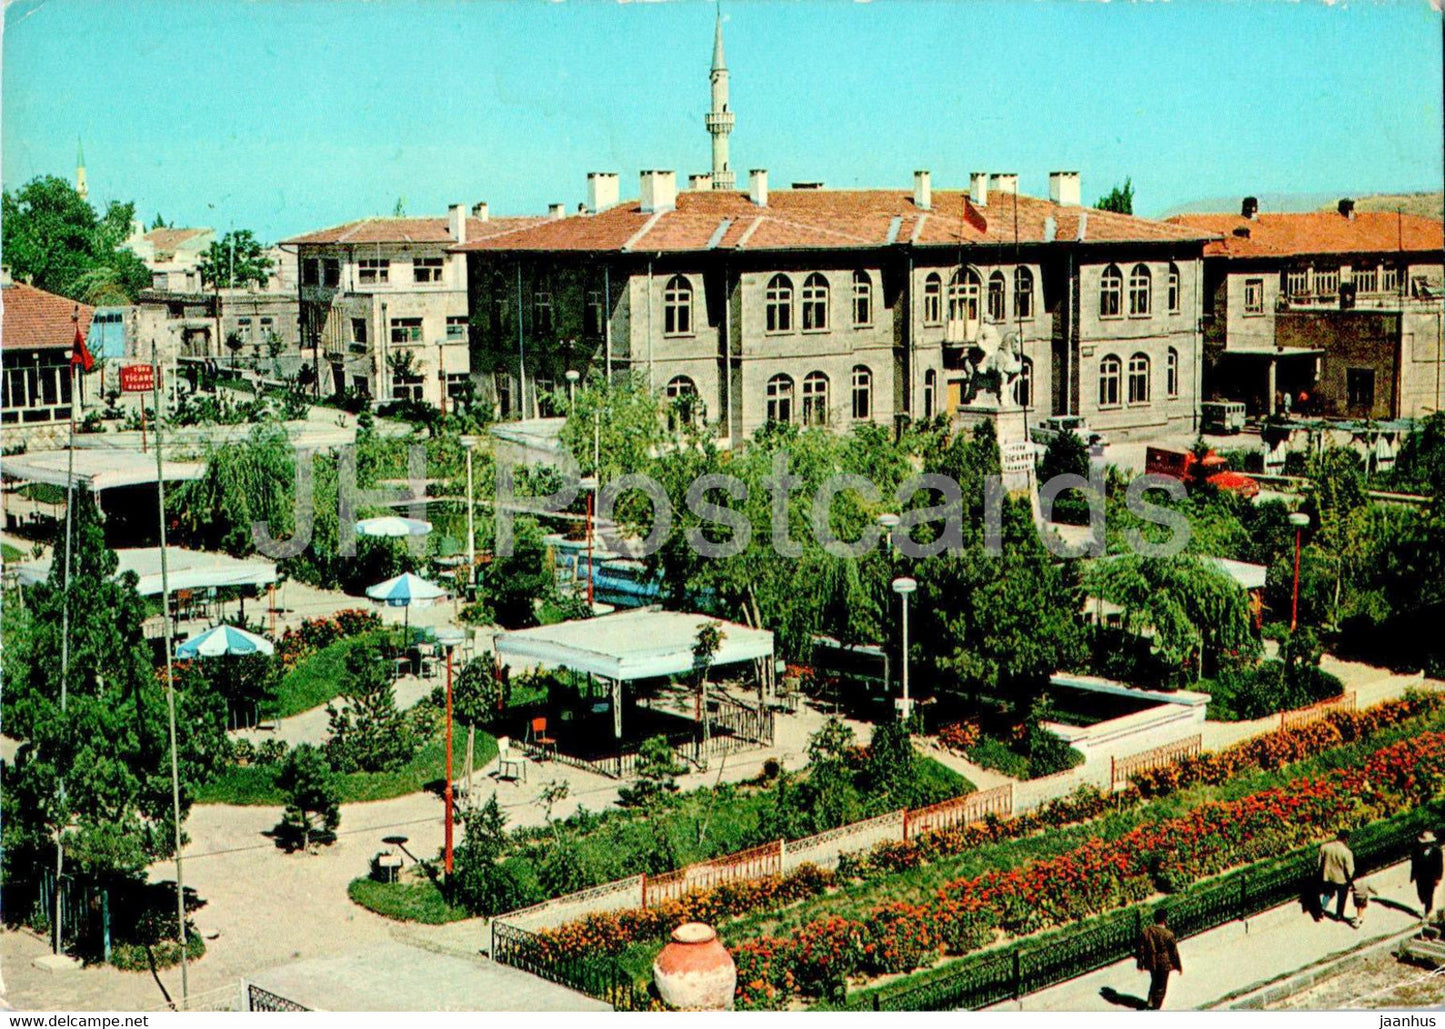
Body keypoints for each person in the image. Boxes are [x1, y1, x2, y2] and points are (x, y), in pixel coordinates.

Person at [1137, 909, 1182, 1010]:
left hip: (1152, 963)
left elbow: (1141, 949)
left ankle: (1149, 1003)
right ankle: (1155, 1007)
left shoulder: (1147, 931)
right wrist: (1178, 966)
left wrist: (1140, 964)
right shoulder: (1168, 934)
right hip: (1164, 964)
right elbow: (1174, 952)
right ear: (1165, 920)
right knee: (1161, 987)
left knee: (1154, 982)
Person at [1319, 829, 1356, 921]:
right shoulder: (1347, 852)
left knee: (1327, 894)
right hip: (1341, 879)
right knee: (1341, 897)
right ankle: (1339, 915)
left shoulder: (1324, 847)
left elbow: (1320, 863)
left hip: (1327, 876)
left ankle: (1322, 909)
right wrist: (1351, 881)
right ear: (1346, 839)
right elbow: (1350, 871)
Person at [1411, 830, 1443, 919]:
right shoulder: (1416, 851)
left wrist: (1438, 878)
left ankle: (1428, 911)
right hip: (1420, 876)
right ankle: (1425, 902)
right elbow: (1414, 863)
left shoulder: (1436, 851)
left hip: (1431, 876)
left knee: (1429, 894)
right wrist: (1413, 875)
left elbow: (1440, 865)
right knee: (1421, 894)